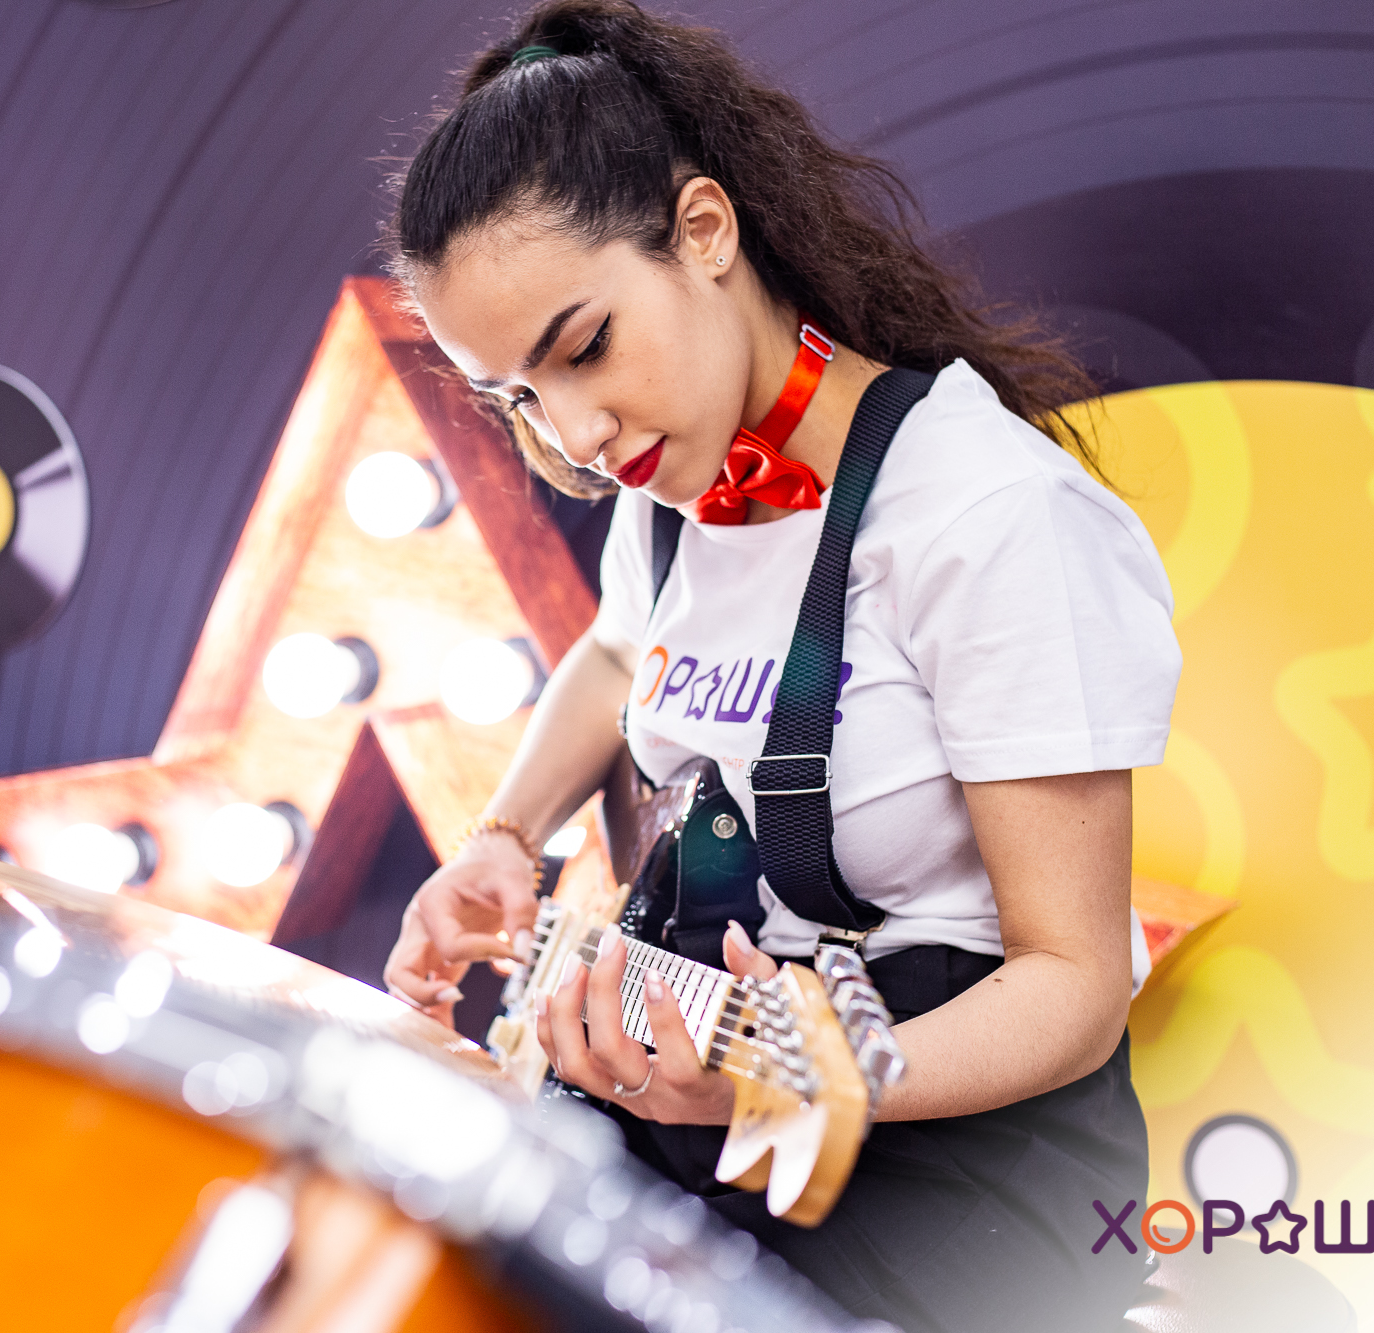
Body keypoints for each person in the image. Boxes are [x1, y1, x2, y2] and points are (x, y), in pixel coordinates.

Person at [379, 3, 1180, 1329]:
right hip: (713, 1106)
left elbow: (1075, 987)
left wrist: (816, 1075)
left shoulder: (988, 514)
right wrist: (506, 838)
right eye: (519, 396)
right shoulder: (671, 478)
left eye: (583, 348)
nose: (574, 437)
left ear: (704, 230)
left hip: (958, 1180)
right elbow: (618, 651)